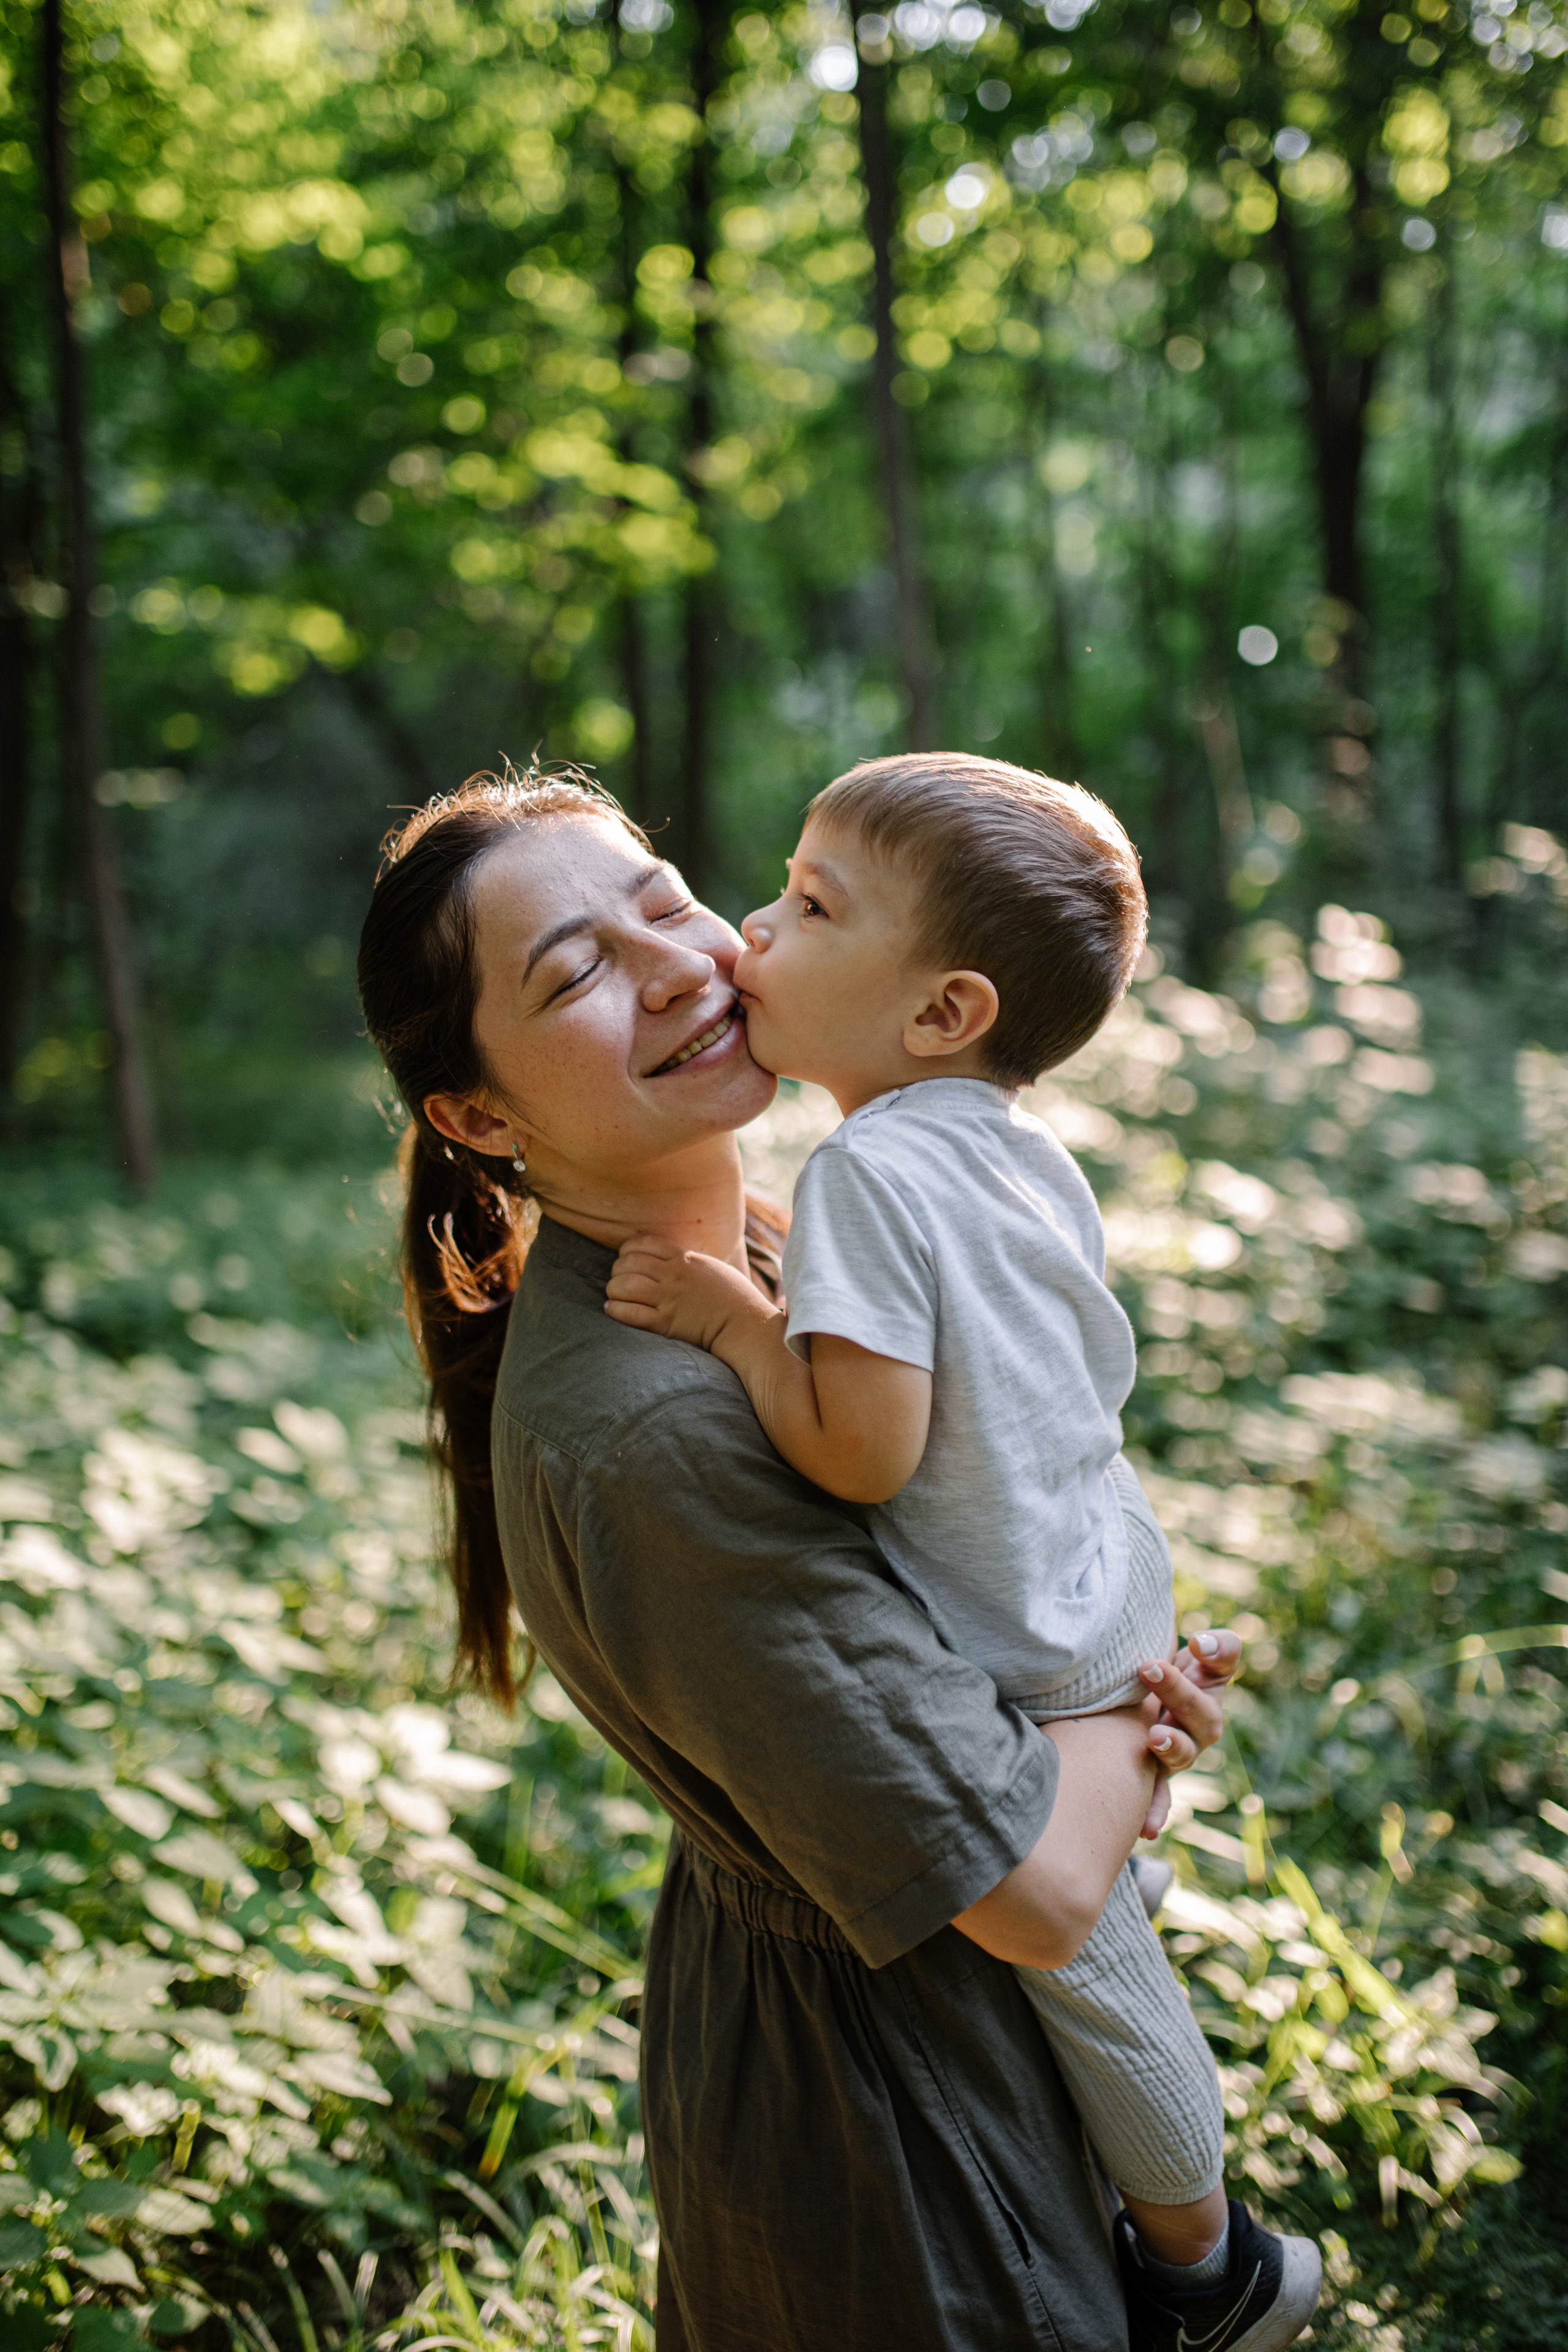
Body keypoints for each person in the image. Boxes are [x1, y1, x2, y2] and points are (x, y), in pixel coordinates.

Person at [357, 766, 1246, 2352]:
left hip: (934, 2025)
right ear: (479, 1119)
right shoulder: (656, 1431)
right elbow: (1041, 1890)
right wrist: (1126, 1703)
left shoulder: (777, 1243)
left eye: (661, 898)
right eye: (576, 972)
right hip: (898, 2147)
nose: (685, 961)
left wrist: (1114, 1709)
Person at [601, 755, 1321, 2352]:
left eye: (807, 906)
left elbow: (867, 1449)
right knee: (1106, 1926)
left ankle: (1215, 2270)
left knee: (1094, 1971)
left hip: (1031, 1633)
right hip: (1101, 1557)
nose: (748, 932)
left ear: (941, 1013)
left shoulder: (860, 1171)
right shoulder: (1017, 1147)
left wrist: (732, 1316)